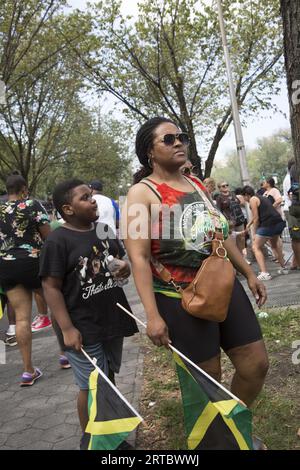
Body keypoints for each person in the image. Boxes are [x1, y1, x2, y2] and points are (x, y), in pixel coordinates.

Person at [123, 116, 268, 412]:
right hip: (179, 297)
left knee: (256, 364)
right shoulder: (142, 193)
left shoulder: (195, 184)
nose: (178, 142)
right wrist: (152, 315)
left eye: (182, 137)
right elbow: (138, 257)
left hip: (222, 284)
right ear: (149, 151)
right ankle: (217, 441)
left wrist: (249, 273)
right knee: (206, 380)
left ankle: (232, 426)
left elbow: (220, 234)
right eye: (168, 139)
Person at [39, 179, 138, 437]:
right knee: (92, 385)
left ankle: (111, 436)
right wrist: (68, 328)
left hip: (110, 319)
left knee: (108, 378)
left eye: (91, 195)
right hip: (80, 326)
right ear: (68, 209)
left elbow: (117, 260)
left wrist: (124, 267)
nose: (93, 200)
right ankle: (91, 439)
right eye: (84, 197)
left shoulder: (104, 229)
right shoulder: (57, 241)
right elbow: (50, 287)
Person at [0, 173, 51, 385]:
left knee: (21, 318)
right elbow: (48, 235)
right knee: (56, 306)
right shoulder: (32, 204)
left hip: (7, 265)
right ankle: (66, 355)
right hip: (33, 263)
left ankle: (28, 370)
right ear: (24, 189)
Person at [241, 185, 288, 281]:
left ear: (246, 195)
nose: (244, 199)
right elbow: (256, 217)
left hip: (268, 225)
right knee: (274, 246)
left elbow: (256, 218)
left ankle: (264, 273)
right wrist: (248, 225)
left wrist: (254, 233)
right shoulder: (261, 197)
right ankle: (283, 268)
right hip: (278, 222)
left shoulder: (253, 200)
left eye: (243, 196)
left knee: (255, 247)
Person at [216, 182, 246, 255]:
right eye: (223, 186)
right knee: (232, 240)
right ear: (219, 188)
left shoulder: (232, 194)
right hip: (230, 222)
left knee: (241, 239)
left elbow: (239, 202)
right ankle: (236, 258)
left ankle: (243, 258)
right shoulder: (219, 198)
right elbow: (218, 211)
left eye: (227, 185)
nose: (226, 186)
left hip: (239, 219)